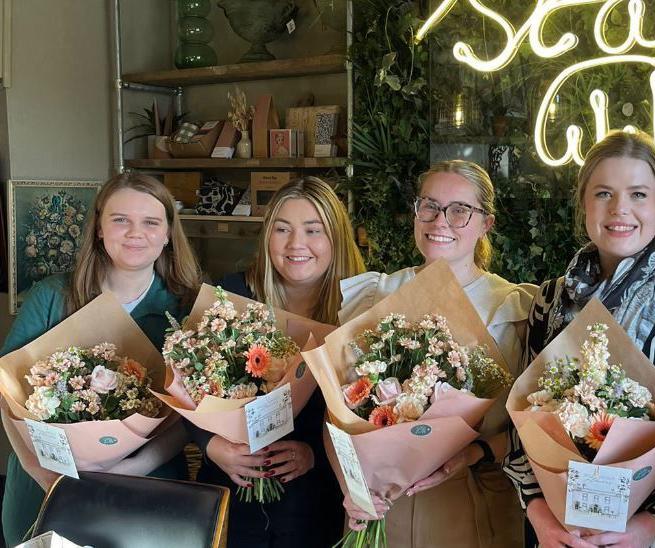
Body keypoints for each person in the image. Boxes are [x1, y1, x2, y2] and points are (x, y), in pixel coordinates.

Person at [504, 130, 655, 548]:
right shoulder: (550, 300)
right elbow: (521, 427)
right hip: (565, 533)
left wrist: (646, 528)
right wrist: (541, 515)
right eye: (603, 194)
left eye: (637, 194)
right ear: (583, 203)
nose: (619, 209)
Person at [340, 160, 538, 547]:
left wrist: (470, 455)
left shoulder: (514, 309)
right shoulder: (376, 295)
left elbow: (527, 432)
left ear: (486, 224)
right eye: (428, 205)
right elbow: (338, 416)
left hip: (476, 504)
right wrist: (351, 486)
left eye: (460, 210)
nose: (439, 221)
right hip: (380, 508)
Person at [0, 172, 202, 546]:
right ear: (98, 229)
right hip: (46, 479)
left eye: (150, 222)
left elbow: (191, 415)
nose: (134, 233)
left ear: (169, 234)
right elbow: (6, 393)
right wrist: (36, 467)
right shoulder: (51, 297)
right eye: (120, 220)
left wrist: (130, 468)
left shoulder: (186, 310)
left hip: (146, 481)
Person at [190, 176, 365, 547]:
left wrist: (314, 455)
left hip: (314, 502)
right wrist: (211, 445)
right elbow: (186, 387)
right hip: (229, 493)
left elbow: (372, 418)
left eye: (312, 230)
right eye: (282, 229)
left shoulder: (358, 310)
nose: (296, 244)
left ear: (336, 237)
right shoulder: (232, 296)